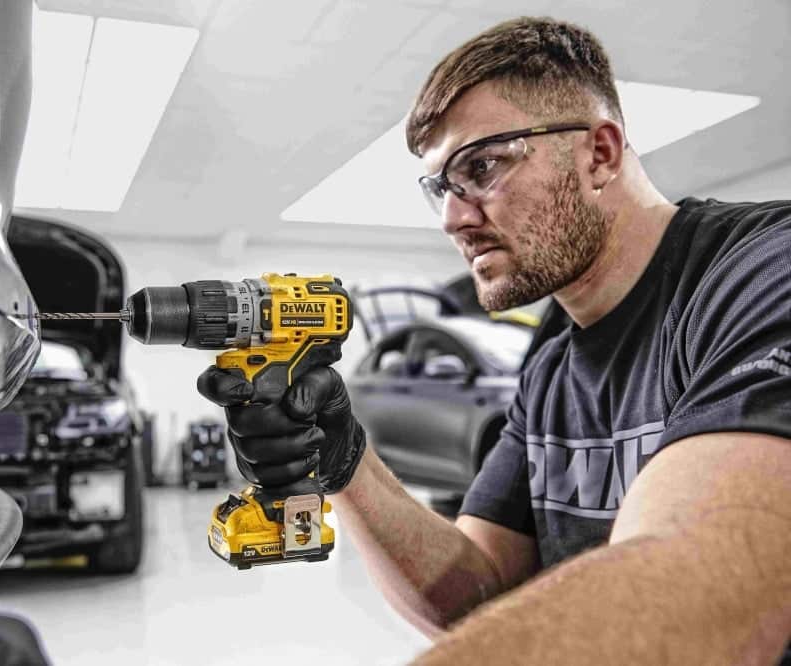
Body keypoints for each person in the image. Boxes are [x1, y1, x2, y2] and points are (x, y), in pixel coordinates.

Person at [199, 16, 791, 665]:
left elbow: (705, 585)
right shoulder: (554, 353)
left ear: (599, 155)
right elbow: (480, 588)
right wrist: (345, 463)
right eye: (440, 189)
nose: (453, 218)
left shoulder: (764, 274)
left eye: (481, 167)